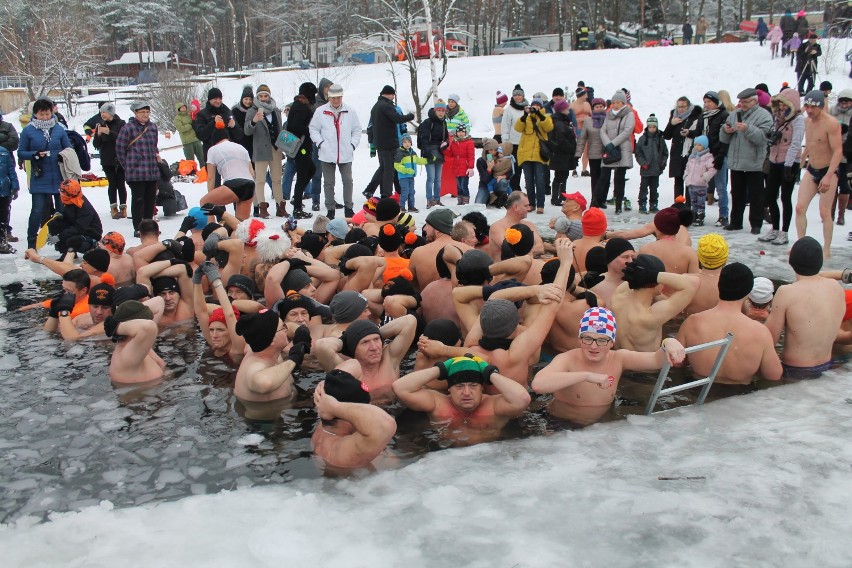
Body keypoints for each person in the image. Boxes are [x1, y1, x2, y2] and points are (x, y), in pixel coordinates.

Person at [531, 307, 686, 426]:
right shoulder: (566, 359)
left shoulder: (619, 358)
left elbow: (655, 361)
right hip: (561, 424)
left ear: (611, 342)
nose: (594, 346)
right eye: (588, 339)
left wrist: (668, 343)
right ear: (580, 339)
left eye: (602, 340)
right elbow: (538, 385)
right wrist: (586, 375)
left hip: (601, 423)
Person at [676, 262, 782, 384]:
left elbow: (677, 363)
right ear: (748, 293)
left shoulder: (692, 322)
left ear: (719, 285)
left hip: (697, 391)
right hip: (741, 396)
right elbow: (773, 375)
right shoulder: (760, 332)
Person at [393, 355, 531, 446]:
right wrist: (440, 369)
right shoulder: (438, 403)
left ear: (482, 388)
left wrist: (489, 372)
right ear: (449, 389)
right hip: (443, 456)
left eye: (473, 385)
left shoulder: (493, 406)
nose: (466, 393)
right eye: (459, 386)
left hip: (490, 457)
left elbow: (522, 399)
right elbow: (400, 387)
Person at [764, 237, 845, 378]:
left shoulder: (786, 292)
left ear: (791, 261)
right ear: (820, 262)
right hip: (827, 365)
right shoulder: (835, 287)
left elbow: (769, 340)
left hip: (796, 370)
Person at [313, 316, 417, 403]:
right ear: (353, 349)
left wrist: (371, 331)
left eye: (376, 340)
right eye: (365, 342)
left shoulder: (389, 359)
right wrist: (347, 340)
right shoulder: (348, 371)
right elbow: (322, 345)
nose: (374, 347)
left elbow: (409, 321)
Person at [610, 253, 699, 352]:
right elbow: (693, 283)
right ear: (656, 279)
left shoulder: (619, 296)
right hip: (647, 366)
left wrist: (646, 273)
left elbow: (634, 276)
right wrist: (654, 275)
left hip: (620, 361)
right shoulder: (650, 315)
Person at [234, 309, 311, 419]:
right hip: (263, 428)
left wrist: (301, 331)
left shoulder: (259, 347)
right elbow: (265, 384)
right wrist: (294, 358)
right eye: (283, 327)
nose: (287, 329)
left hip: (286, 408)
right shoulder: (254, 367)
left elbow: (290, 326)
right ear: (271, 339)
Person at [312, 370, 397, 469]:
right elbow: (386, 424)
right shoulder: (338, 451)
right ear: (343, 416)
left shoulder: (324, 424)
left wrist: (324, 384)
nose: (370, 408)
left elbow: (354, 364)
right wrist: (335, 407)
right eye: (363, 407)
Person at [17, 97, 71, 249]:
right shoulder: (29, 130)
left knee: (62, 211)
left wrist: (63, 154)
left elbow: (68, 147)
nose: (45, 117)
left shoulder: (59, 128)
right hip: (40, 175)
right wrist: (34, 154)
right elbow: (21, 152)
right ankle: (31, 244)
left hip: (59, 174)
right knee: (37, 210)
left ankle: (62, 243)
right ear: (35, 114)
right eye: (42, 114)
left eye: (47, 114)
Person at [795, 90, 842, 258]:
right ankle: (801, 244)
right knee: (800, 208)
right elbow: (810, 143)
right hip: (812, 168)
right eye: (806, 106)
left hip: (829, 169)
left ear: (821, 107)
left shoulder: (831, 123)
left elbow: (838, 152)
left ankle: (826, 248)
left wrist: (829, 176)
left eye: (812, 107)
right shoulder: (808, 121)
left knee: (824, 212)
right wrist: (801, 160)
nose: (808, 110)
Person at [719, 88, 773, 234]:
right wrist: (725, 130)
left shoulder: (764, 116)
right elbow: (723, 139)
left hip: (754, 163)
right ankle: (736, 221)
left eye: (745, 102)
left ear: (755, 101)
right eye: (740, 101)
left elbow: (763, 138)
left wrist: (747, 129)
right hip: (736, 162)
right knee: (737, 194)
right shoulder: (734, 114)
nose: (742, 104)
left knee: (756, 196)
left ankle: (756, 223)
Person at [309, 84, 362, 219]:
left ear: (342, 97)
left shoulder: (350, 111)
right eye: (333, 98)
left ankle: (349, 208)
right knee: (328, 182)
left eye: (338, 98)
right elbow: (313, 129)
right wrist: (320, 143)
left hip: (345, 152)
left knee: (348, 180)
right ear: (329, 98)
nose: (336, 101)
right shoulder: (320, 111)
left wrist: (352, 145)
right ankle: (330, 208)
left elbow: (356, 130)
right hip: (327, 153)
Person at [759, 88, 804, 246]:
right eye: (780, 105)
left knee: (786, 197)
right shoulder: (778, 118)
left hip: (789, 162)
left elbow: (796, 143)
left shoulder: (798, 119)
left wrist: (789, 165)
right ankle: (775, 228)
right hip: (775, 160)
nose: (782, 108)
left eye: (785, 105)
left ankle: (784, 232)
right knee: (770, 196)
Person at [115, 101, 159, 235]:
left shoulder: (153, 127)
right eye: (142, 112)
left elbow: (154, 146)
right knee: (138, 200)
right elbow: (120, 149)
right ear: (135, 113)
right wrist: (129, 165)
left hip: (151, 170)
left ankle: (149, 226)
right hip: (136, 172)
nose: (145, 114)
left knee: (150, 200)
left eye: (147, 112)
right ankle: (138, 227)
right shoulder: (127, 128)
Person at [244, 84, 284, 219]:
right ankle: (262, 207)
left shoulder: (276, 110)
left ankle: (280, 206)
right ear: (257, 96)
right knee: (260, 180)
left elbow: (279, 129)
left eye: (265, 95)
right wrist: (254, 121)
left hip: (275, 148)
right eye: (260, 96)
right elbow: (247, 131)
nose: (263, 98)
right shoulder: (252, 111)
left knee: (277, 179)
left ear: (269, 96)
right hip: (261, 149)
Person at [368, 85, 414, 199]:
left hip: (380, 143)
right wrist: (410, 116)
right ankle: (386, 194)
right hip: (389, 143)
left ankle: (373, 189)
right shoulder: (386, 106)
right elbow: (397, 119)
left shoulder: (376, 106)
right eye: (393, 95)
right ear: (389, 94)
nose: (393, 97)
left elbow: (371, 126)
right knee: (390, 169)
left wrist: (372, 143)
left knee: (384, 167)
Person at [104, 300, 165, 384]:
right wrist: (115, 327)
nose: (151, 321)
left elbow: (159, 302)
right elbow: (149, 327)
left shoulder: (138, 345)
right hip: (144, 395)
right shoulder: (126, 357)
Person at [595, 91, 634, 214]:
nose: (615, 105)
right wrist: (608, 144)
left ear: (623, 103)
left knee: (619, 179)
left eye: (618, 102)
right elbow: (603, 131)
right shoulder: (609, 115)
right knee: (603, 177)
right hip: (609, 149)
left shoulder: (629, 114)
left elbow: (627, 131)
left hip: (622, 149)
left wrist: (613, 143)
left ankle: (618, 204)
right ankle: (595, 201)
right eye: (614, 102)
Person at [514, 97, 553, 214]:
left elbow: (549, 127)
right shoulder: (526, 118)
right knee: (528, 180)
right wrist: (525, 115)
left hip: (539, 154)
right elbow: (517, 128)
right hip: (525, 153)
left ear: (541, 107)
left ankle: (540, 205)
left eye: (538, 106)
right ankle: (531, 203)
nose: (535, 107)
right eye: (533, 105)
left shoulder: (545, 117)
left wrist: (539, 116)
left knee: (540, 180)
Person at [90, 103, 127, 220]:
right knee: (112, 184)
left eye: (104, 112)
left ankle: (123, 207)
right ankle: (113, 207)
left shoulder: (121, 124)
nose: (102, 114)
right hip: (106, 159)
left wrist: (109, 133)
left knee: (121, 183)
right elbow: (96, 145)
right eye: (101, 112)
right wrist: (98, 135)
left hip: (120, 158)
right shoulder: (100, 125)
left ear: (110, 112)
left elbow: (123, 139)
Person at [663, 96, 701, 202]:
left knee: (689, 181)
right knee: (678, 180)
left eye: (683, 107)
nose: (680, 109)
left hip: (690, 152)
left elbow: (699, 133)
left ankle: (689, 206)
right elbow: (666, 135)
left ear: (688, 106)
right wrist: (671, 124)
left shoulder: (696, 115)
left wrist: (689, 133)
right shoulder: (674, 115)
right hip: (676, 152)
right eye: (678, 106)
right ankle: (678, 206)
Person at [49, 179, 102, 255]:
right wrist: (61, 217)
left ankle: (92, 246)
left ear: (69, 194)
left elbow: (79, 227)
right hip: (76, 226)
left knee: (72, 240)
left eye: (62, 192)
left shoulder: (84, 207)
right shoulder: (70, 200)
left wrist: (59, 237)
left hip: (89, 232)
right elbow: (71, 218)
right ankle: (65, 253)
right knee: (54, 223)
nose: (60, 193)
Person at [487, 191, 544, 260]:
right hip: (506, 269)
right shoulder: (497, 227)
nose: (529, 209)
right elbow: (510, 251)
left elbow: (541, 248)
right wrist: (531, 250)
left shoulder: (530, 225)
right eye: (526, 206)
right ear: (516, 207)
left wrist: (524, 251)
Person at [684, 233, 728, 314]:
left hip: (690, 324)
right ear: (725, 258)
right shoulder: (732, 286)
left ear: (699, 257)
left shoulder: (685, 281)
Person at [418, 100, 450, 209]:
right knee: (430, 178)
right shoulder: (428, 122)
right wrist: (427, 152)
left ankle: (437, 199)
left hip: (440, 151)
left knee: (438, 178)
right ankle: (429, 199)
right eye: (439, 110)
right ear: (435, 111)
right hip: (430, 150)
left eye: (442, 110)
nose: (441, 112)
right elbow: (424, 138)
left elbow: (446, 136)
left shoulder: (443, 122)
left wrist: (446, 143)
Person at [192, 87, 240, 160]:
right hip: (211, 154)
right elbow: (200, 135)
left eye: (220, 99)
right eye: (215, 99)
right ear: (209, 99)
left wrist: (234, 127)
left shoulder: (227, 112)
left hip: (228, 154)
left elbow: (239, 135)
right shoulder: (202, 114)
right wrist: (213, 123)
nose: (218, 101)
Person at [634, 114, 668, 213]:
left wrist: (663, 162)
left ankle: (653, 204)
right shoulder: (642, 139)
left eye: (654, 127)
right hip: (645, 168)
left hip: (656, 169)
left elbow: (665, 152)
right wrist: (643, 163)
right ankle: (642, 204)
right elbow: (638, 153)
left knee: (654, 188)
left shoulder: (660, 139)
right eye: (650, 127)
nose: (652, 129)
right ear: (647, 127)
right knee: (643, 187)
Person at [548, 99, 578, 206]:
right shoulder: (559, 123)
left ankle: (561, 196)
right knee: (560, 176)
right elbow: (561, 140)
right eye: (566, 108)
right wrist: (571, 148)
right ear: (561, 110)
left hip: (563, 155)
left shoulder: (563, 121)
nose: (568, 110)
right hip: (561, 155)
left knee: (563, 176)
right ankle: (556, 198)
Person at [590, 237, 635, 307]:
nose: (630, 261)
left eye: (633, 257)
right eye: (625, 257)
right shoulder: (596, 285)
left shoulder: (637, 282)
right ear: (611, 260)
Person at [830, 89, 852, 226]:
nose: (844, 105)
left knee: (844, 186)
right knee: (832, 186)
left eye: (847, 102)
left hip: (847, 155)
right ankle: (829, 212)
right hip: (832, 154)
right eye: (842, 102)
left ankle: (841, 214)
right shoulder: (832, 111)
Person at [683, 135, 716, 226]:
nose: (697, 147)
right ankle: (694, 215)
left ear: (704, 146)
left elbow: (712, 169)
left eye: (699, 145)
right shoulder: (692, 156)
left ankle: (700, 216)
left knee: (700, 201)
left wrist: (706, 176)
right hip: (691, 183)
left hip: (701, 184)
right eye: (695, 145)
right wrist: (686, 175)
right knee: (693, 201)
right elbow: (688, 167)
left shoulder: (708, 157)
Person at [501, 85, 528, 192]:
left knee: (523, 167)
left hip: (525, 143)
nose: (517, 97)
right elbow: (505, 125)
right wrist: (505, 141)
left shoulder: (527, 108)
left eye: (519, 95)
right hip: (513, 143)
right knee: (514, 168)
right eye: (515, 95)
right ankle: (514, 187)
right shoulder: (509, 109)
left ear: (523, 96)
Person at [474, 138, 512, 206]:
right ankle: (490, 197)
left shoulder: (500, 157)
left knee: (503, 181)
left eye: (495, 150)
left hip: (497, 184)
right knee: (478, 204)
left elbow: (510, 171)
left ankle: (501, 198)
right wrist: (489, 169)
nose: (493, 152)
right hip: (485, 186)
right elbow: (484, 180)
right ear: (486, 150)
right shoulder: (481, 161)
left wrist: (504, 176)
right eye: (491, 150)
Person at [394, 134, 426, 213]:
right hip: (403, 177)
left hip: (411, 176)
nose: (407, 144)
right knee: (405, 192)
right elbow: (396, 165)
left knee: (411, 192)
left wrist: (428, 160)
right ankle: (401, 206)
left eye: (409, 142)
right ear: (402, 143)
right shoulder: (400, 153)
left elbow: (418, 160)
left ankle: (411, 206)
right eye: (405, 142)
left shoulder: (413, 152)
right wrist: (407, 170)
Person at [444, 123, 475, 205]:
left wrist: (471, 167)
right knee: (458, 186)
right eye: (459, 131)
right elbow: (451, 154)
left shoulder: (469, 142)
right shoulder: (454, 142)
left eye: (463, 131)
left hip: (465, 168)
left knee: (464, 186)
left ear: (465, 132)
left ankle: (465, 201)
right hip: (456, 167)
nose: (461, 133)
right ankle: (460, 201)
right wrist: (444, 149)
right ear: (456, 132)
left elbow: (471, 155)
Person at [0, 135, 19, 254]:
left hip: (4, 190)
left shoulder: (4, 153)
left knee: (3, 216)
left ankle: (2, 241)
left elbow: (11, 171)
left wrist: (15, 186)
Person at [174, 102, 204, 168]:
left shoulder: (190, 114)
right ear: (179, 109)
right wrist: (190, 125)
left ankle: (204, 172)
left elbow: (197, 121)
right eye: (182, 107)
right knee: (190, 161)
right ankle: (192, 175)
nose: (184, 108)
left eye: (184, 106)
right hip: (187, 142)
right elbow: (180, 128)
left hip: (196, 139)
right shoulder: (177, 118)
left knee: (202, 158)